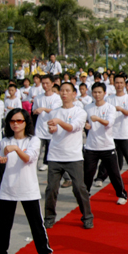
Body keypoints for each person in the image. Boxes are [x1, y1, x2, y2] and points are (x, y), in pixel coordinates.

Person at [0, 109, 53, 254]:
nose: (16, 124)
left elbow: (29, 159)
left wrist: (17, 149)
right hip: (8, 188)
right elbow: (2, 158)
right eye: (12, 121)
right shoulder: (5, 140)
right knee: (4, 225)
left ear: (26, 123)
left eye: (19, 121)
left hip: (27, 187)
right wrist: (2, 158)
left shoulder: (33, 140)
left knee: (36, 223)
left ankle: (45, 252)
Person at [44, 82, 93, 229]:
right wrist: (52, 129)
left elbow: (73, 128)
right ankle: (49, 217)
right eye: (62, 90)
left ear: (73, 94)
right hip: (55, 155)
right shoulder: (54, 112)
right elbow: (52, 131)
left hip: (73, 156)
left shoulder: (80, 112)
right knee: (51, 189)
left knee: (79, 188)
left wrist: (59, 122)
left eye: (67, 91)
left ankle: (87, 216)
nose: (64, 93)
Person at [95, 75, 128, 187]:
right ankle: (100, 178)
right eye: (117, 82)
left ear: (124, 84)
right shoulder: (109, 99)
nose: (119, 85)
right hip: (111, 134)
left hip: (124, 133)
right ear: (114, 84)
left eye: (121, 83)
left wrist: (119, 108)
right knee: (107, 157)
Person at [83, 82, 128, 204]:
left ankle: (122, 194)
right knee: (88, 173)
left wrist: (97, 119)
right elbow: (85, 122)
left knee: (114, 173)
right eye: (95, 92)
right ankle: (85, 193)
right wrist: (86, 125)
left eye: (99, 92)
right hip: (91, 146)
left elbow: (109, 123)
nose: (97, 95)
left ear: (104, 93)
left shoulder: (110, 107)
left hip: (107, 146)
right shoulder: (87, 107)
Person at [32, 75, 62, 172]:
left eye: (47, 83)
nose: (45, 85)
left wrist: (44, 109)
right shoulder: (38, 98)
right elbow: (34, 111)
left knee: (52, 153)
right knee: (36, 151)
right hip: (39, 129)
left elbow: (55, 111)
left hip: (51, 130)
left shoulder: (57, 98)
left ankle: (63, 175)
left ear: (52, 84)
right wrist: (36, 111)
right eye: (43, 83)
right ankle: (32, 170)